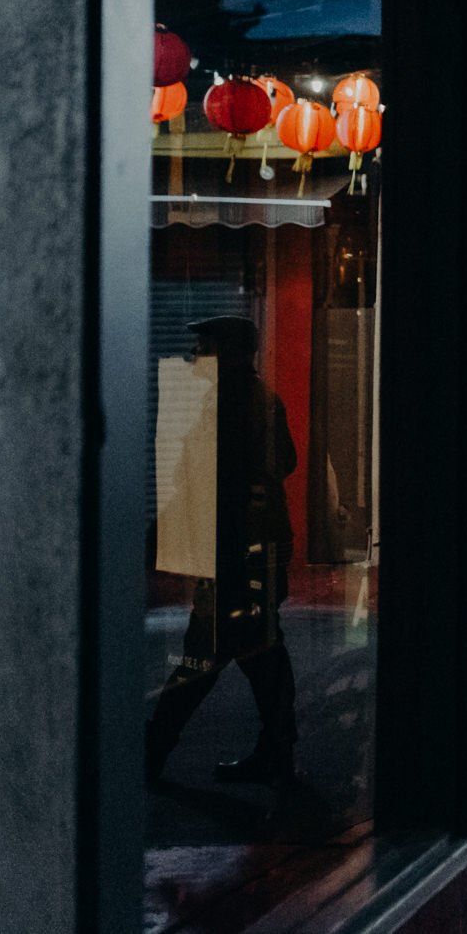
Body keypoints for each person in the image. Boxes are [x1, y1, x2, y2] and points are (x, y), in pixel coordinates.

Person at [145, 315, 300, 787]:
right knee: (256, 653)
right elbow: (286, 461)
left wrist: (157, 537)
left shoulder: (228, 403)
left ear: (227, 351)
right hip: (258, 547)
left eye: (204, 343)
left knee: (205, 654)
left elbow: (205, 482)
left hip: (239, 550)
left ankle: (152, 753)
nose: (195, 352)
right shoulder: (258, 399)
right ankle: (275, 753)